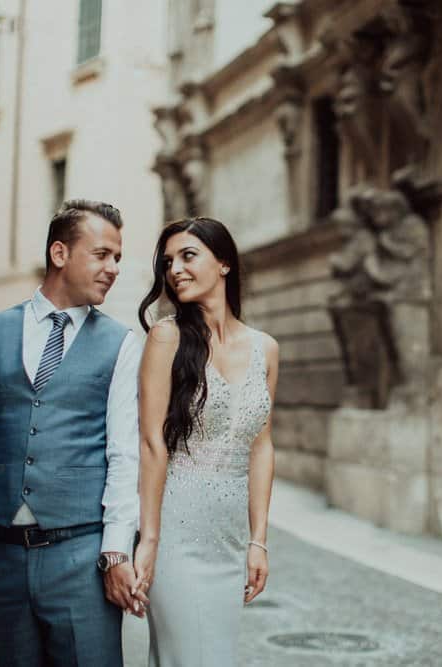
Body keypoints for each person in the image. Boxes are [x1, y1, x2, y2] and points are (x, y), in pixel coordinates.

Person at [0, 200, 144, 666]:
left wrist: (115, 552)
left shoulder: (122, 344)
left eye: (118, 259)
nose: (114, 269)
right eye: (102, 254)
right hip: (2, 558)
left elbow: (126, 455)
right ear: (60, 253)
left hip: (81, 559)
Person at [134, 217, 279, 666]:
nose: (175, 269)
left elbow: (261, 446)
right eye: (168, 261)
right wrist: (150, 539)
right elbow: (152, 443)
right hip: (178, 533)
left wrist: (259, 541)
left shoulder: (265, 348)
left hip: (230, 538)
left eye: (188, 256)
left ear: (224, 264)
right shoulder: (167, 336)